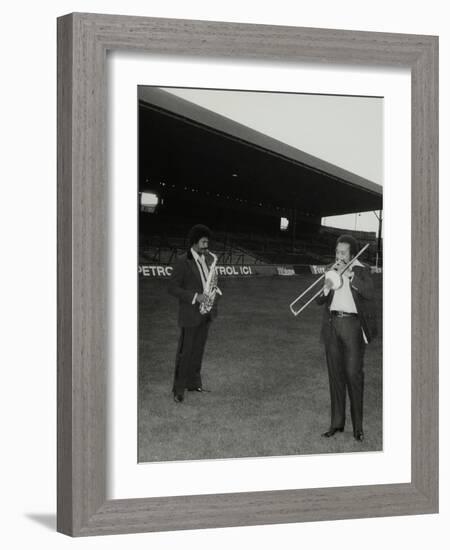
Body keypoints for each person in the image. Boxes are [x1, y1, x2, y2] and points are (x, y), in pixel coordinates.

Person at [316, 235, 377, 442]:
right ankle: (336, 423)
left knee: (353, 375)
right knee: (335, 376)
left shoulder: (361, 269)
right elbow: (319, 300)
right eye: (337, 252)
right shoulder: (330, 268)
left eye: (343, 253)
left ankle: (358, 428)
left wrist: (351, 275)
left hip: (352, 326)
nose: (338, 256)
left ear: (352, 255)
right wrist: (326, 286)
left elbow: (369, 293)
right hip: (332, 325)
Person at [168, 224, 221, 403]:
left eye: (207, 241)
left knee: (198, 351)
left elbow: (208, 281)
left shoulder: (208, 260)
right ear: (195, 242)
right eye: (204, 241)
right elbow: (172, 287)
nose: (207, 245)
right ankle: (179, 389)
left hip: (205, 314)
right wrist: (195, 297)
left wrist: (213, 290)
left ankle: (194, 383)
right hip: (190, 314)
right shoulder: (183, 261)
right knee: (185, 353)